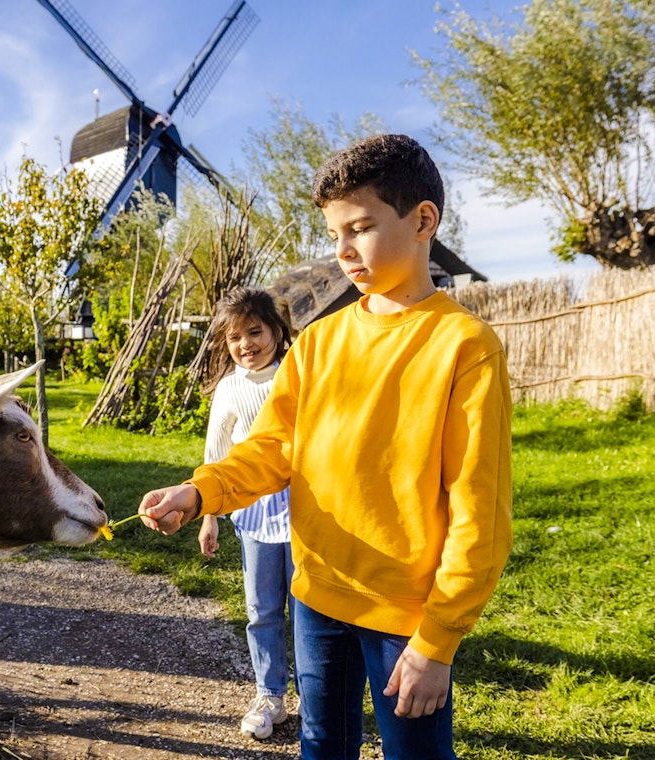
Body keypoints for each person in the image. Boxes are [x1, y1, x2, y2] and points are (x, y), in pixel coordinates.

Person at [136, 134, 512, 760]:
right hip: (316, 594)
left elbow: (480, 510)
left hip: (406, 615)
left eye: (360, 228)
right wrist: (201, 490)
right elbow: (273, 447)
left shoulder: (464, 346)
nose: (342, 251)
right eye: (335, 233)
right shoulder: (316, 344)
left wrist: (437, 640)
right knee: (322, 745)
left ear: (423, 221)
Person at [196, 286, 295, 741]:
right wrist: (209, 516)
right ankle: (270, 693)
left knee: (313, 610)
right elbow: (216, 454)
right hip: (254, 514)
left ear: (276, 330)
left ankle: (316, 699)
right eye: (235, 338)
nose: (246, 345)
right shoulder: (230, 389)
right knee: (262, 608)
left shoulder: (296, 374)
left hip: (306, 512)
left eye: (254, 332)